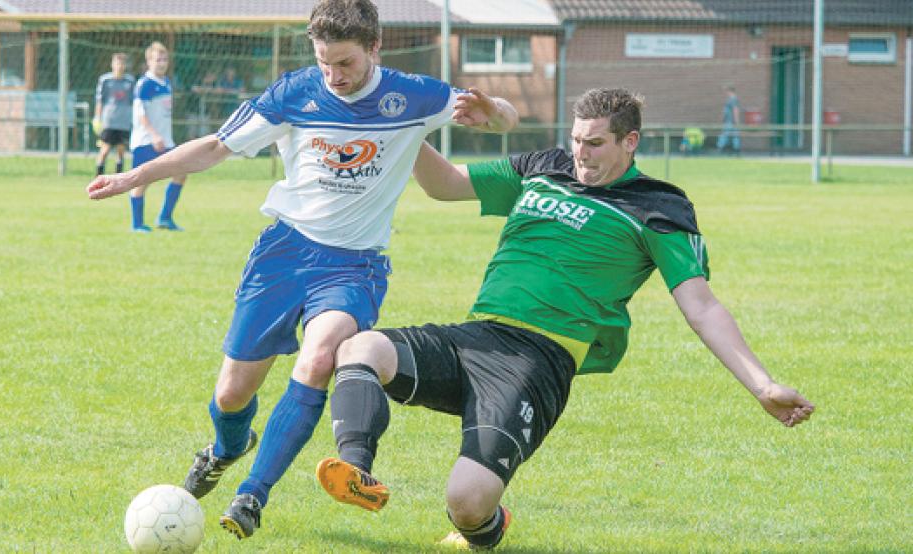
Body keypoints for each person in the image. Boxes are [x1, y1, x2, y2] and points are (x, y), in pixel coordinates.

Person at [86, 0, 518, 541]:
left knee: (320, 356)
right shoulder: (294, 92)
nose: (335, 76)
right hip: (283, 255)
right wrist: (135, 176)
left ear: (374, 49)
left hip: (355, 265)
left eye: (346, 63)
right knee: (231, 395)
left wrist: (495, 110)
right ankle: (227, 447)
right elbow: (216, 148)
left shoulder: (415, 96)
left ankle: (252, 494)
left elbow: (503, 117)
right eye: (324, 63)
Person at [315, 88, 815, 550]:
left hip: (538, 364)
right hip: (476, 337)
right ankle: (356, 472)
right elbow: (445, 185)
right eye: (576, 140)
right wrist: (406, 127)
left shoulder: (659, 206)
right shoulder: (544, 167)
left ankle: (486, 528)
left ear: (630, 141)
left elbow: (702, 307)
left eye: (595, 143)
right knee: (360, 348)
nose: (581, 154)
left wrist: (763, 385)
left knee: (466, 504)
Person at [128, 41, 187, 233]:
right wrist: (154, 135)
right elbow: (140, 114)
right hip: (146, 141)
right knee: (142, 181)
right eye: (157, 59)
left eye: (164, 59)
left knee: (181, 172)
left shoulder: (167, 83)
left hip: (165, 141)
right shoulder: (144, 84)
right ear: (149, 61)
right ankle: (137, 225)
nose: (161, 63)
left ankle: (165, 217)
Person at [93, 53, 135, 176]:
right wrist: (97, 118)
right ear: (112, 64)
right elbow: (100, 100)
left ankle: (118, 177)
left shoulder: (130, 81)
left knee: (121, 150)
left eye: (122, 63)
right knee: (105, 149)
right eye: (117, 63)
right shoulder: (105, 80)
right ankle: (98, 176)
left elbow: (133, 101)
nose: (119, 66)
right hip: (109, 121)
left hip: (124, 122)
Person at [717, 85, 741, 154]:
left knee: (725, 135)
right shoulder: (731, 99)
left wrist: (736, 121)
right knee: (734, 136)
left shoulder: (733, 99)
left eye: (726, 91)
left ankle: (720, 149)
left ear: (730, 91)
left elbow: (735, 110)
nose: (725, 93)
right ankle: (736, 149)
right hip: (729, 121)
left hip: (731, 122)